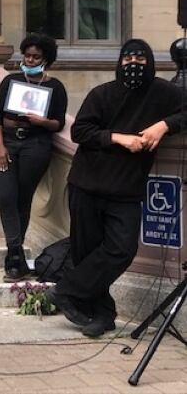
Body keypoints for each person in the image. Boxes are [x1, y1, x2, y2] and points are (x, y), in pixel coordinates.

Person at [47, 39, 187, 338]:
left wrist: (164, 125)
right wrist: (119, 139)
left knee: (121, 250)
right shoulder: (102, 93)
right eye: (127, 58)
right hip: (86, 184)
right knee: (87, 254)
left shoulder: (165, 93)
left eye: (139, 58)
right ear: (119, 62)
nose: (133, 63)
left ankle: (66, 290)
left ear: (150, 62)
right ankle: (103, 315)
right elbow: (80, 131)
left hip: (126, 190)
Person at [0, 34, 67, 282]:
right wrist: (0, 146)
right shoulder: (10, 81)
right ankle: (15, 252)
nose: (30, 59)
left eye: (36, 56)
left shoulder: (55, 87)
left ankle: (15, 261)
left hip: (36, 144)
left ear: (46, 60)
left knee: (23, 200)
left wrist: (42, 121)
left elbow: (59, 123)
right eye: (27, 55)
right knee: (6, 196)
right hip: (8, 143)